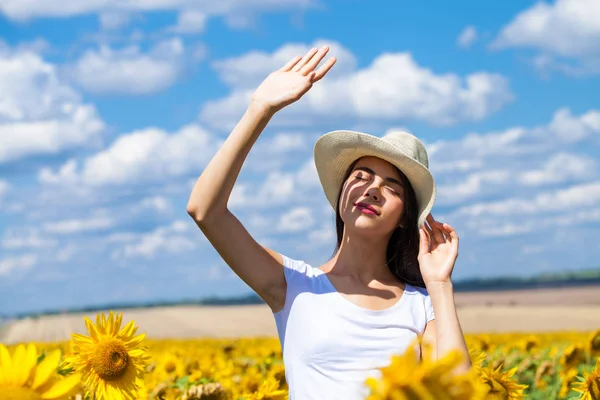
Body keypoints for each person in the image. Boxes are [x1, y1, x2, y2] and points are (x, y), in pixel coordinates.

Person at [186, 45, 471, 399]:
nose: (372, 189)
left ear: (404, 218)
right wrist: (260, 109)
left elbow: (458, 390)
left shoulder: (421, 305)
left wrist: (440, 284)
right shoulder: (294, 285)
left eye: (391, 186)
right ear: (341, 195)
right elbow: (205, 210)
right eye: (362, 176)